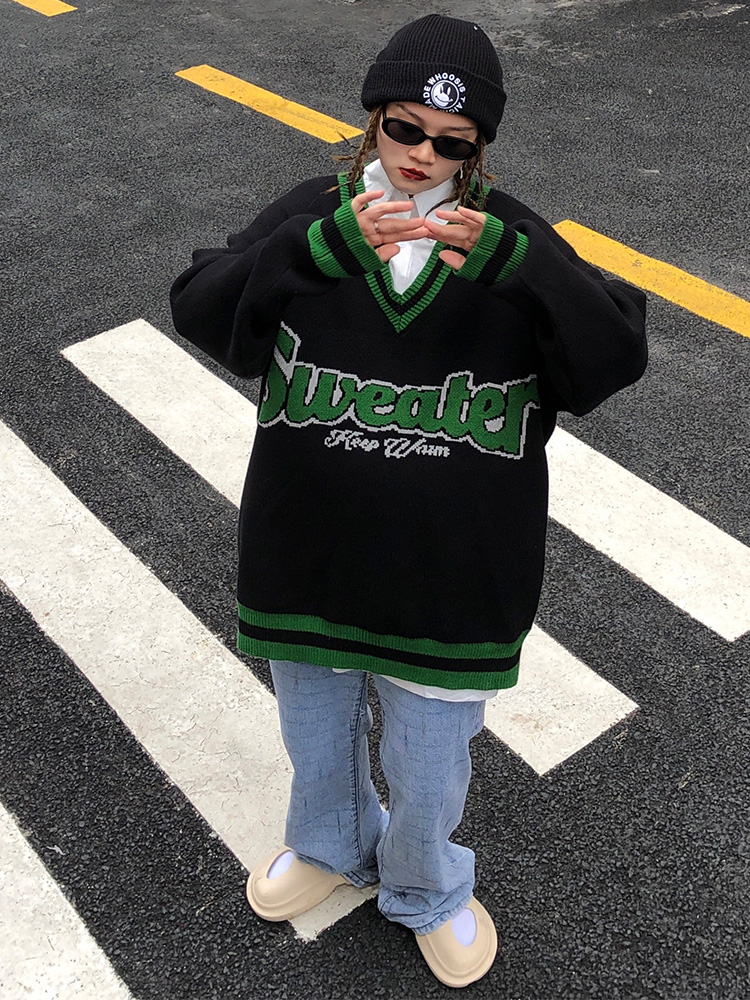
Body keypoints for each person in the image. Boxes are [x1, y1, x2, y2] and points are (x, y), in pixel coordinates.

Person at [170, 14, 647, 988]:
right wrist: (315, 250)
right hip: (310, 552)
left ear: (478, 150)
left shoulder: (511, 237)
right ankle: (331, 843)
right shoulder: (316, 212)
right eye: (404, 129)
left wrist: (525, 271)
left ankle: (426, 884)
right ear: (373, 119)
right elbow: (201, 305)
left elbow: (611, 354)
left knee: (431, 768)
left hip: (452, 578)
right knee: (315, 736)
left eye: (452, 143)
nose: (423, 155)